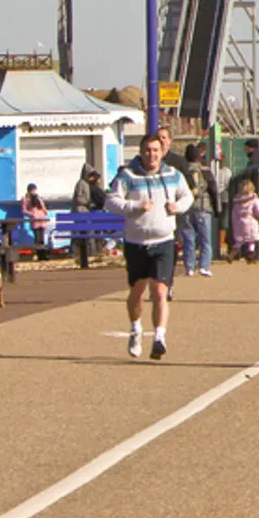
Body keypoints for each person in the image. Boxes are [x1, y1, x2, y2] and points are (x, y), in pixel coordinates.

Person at [106, 131, 192, 360]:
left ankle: (159, 338)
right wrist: (135, 206)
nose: (152, 155)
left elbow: (188, 196)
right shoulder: (128, 176)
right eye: (148, 150)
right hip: (137, 242)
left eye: (156, 150)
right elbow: (111, 201)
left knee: (160, 290)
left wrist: (178, 206)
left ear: (162, 151)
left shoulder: (173, 174)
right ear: (141, 152)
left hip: (163, 240)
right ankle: (135, 329)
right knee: (137, 291)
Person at [180, 144, 221, 276]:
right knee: (205, 239)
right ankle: (204, 266)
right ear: (199, 156)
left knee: (188, 238)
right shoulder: (205, 171)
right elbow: (213, 190)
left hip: (186, 208)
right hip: (203, 207)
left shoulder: (182, 172)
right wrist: (217, 208)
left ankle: (189, 267)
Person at [230, 178, 259, 262]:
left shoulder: (237, 201)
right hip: (251, 223)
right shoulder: (254, 200)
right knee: (251, 240)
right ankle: (250, 255)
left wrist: (234, 223)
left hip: (239, 224)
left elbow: (233, 214)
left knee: (239, 241)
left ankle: (232, 254)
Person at [22, 184, 52, 252]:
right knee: (37, 236)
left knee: (42, 237)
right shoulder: (26, 199)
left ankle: (42, 253)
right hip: (35, 219)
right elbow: (24, 210)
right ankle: (38, 252)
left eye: (34, 190)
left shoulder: (38, 197)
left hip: (41, 217)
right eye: (32, 190)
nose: (33, 191)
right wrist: (31, 214)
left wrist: (45, 212)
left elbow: (42, 206)